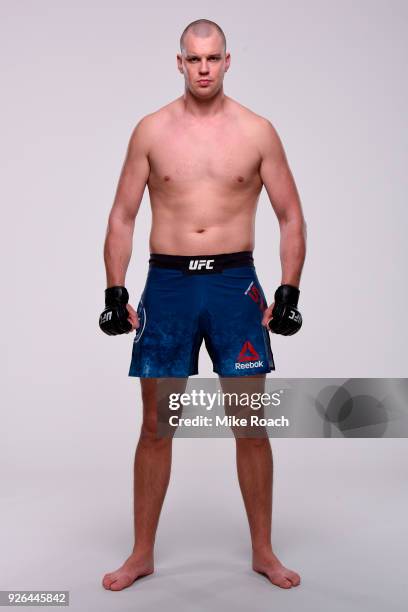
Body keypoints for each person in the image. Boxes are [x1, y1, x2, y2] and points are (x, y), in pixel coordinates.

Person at [99, 18, 306, 591]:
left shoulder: (257, 131)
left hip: (233, 283)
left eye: (213, 58)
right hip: (167, 285)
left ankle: (263, 551)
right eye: (194, 59)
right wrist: (115, 289)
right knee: (156, 426)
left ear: (228, 60)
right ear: (180, 62)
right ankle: (142, 554)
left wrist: (289, 288)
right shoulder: (151, 130)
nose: (204, 68)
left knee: (250, 426)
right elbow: (123, 214)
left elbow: (290, 215)